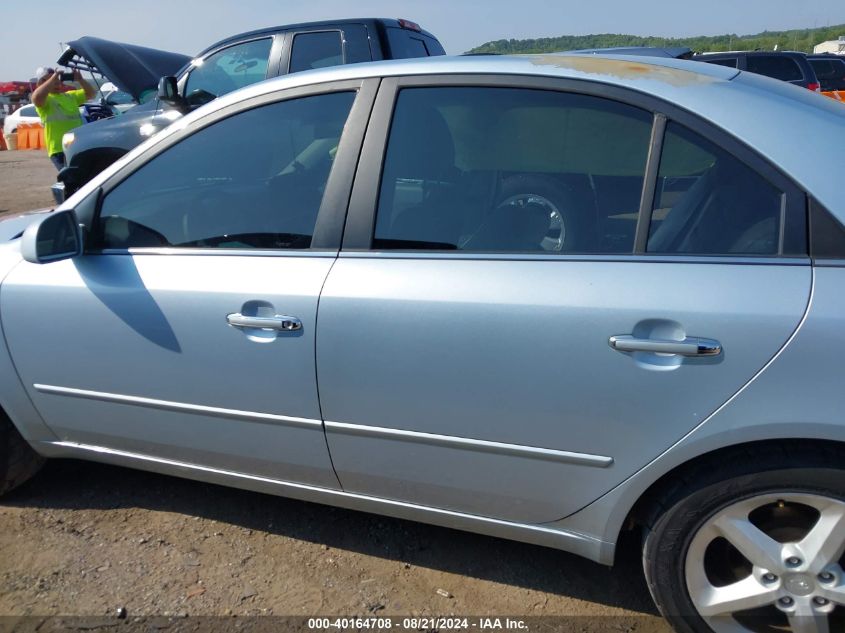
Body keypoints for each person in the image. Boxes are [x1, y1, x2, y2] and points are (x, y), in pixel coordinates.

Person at [31, 67, 95, 171]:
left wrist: (81, 80)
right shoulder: (46, 100)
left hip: (78, 147)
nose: (56, 82)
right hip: (59, 150)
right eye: (51, 79)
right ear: (41, 83)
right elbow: (36, 98)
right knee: (70, 179)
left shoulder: (70, 96)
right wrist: (54, 77)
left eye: (57, 79)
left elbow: (91, 93)